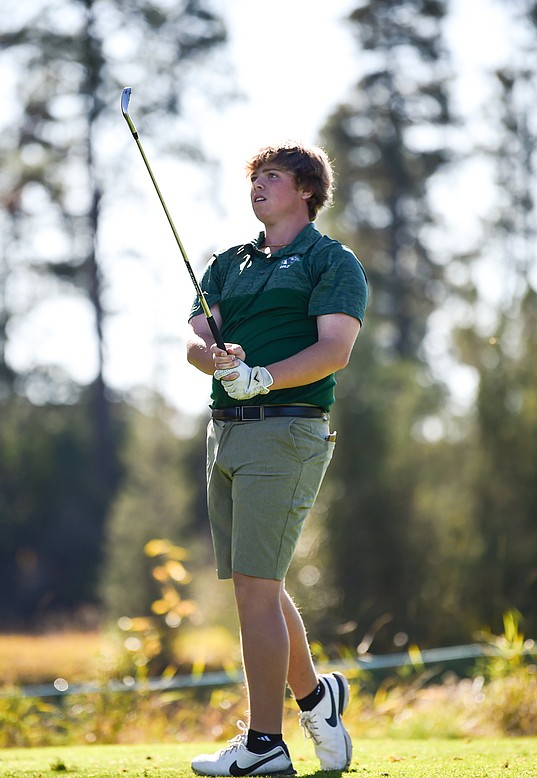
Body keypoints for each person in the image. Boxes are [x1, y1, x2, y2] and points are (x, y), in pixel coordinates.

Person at [185, 141, 368, 777]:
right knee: (256, 583)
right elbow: (197, 342)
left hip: (288, 432)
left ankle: (265, 745)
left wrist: (261, 377)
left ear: (306, 190)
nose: (258, 185)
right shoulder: (228, 263)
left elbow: (334, 351)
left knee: (255, 590)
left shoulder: (331, 261)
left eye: (272, 177)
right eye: (254, 177)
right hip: (226, 433)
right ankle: (319, 700)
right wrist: (220, 360)